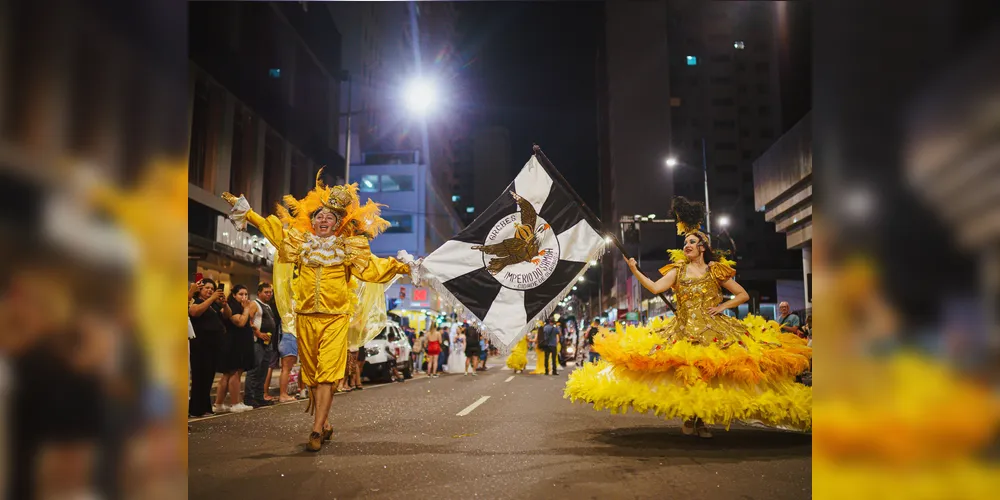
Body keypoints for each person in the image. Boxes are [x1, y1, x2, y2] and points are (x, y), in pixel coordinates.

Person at [565, 197, 812, 437]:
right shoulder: (677, 270)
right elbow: (654, 288)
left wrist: (722, 307)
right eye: (685, 242)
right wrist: (634, 270)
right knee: (687, 375)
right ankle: (689, 417)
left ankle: (702, 421)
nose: (687, 245)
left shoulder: (716, 270)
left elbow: (743, 295)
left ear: (702, 247)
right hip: (683, 332)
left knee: (710, 375)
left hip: (714, 331)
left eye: (692, 241)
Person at [222, 169, 411, 451]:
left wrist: (406, 266)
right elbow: (272, 232)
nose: (323, 220)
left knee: (327, 374)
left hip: (335, 319)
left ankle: (315, 430)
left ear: (337, 224)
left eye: (329, 217)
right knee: (311, 376)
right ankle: (324, 422)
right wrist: (247, 213)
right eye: (319, 216)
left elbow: (374, 269)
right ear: (313, 222)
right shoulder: (301, 245)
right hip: (306, 318)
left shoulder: (348, 248)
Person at [188, 279, 228, 417]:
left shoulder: (214, 305)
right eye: (207, 288)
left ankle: (205, 407)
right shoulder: (196, 301)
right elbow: (194, 312)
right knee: (199, 377)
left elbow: (227, 315)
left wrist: (224, 304)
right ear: (200, 289)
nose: (210, 290)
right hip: (200, 345)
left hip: (213, 346)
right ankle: (195, 409)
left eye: (212, 288)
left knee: (208, 378)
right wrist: (212, 298)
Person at [244, 282, 277, 408]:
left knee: (263, 371)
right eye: (266, 292)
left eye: (270, 292)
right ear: (259, 293)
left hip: (268, 343)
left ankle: (259, 396)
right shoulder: (254, 304)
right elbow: (249, 320)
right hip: (258, 342)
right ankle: (249, 398)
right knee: (254, 370)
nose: (269, 294)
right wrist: (258, 333)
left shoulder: (267, 306)